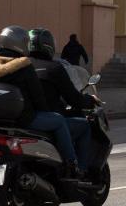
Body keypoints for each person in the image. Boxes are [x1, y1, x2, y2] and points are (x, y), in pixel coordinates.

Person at [0, 26, 81, 179]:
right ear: (19, 44)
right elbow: (37, 96)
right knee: (59, 121)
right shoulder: (23, 66)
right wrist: (45, 111)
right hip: (24, 119)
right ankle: (71, 163)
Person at [28, 28, 96, 177]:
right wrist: (90, 100)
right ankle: (79, 169)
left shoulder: (22, 67)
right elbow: (73, 98)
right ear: (49, 46)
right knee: (84, 126)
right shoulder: (54, 68)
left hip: (25, 119)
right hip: (45, 119)